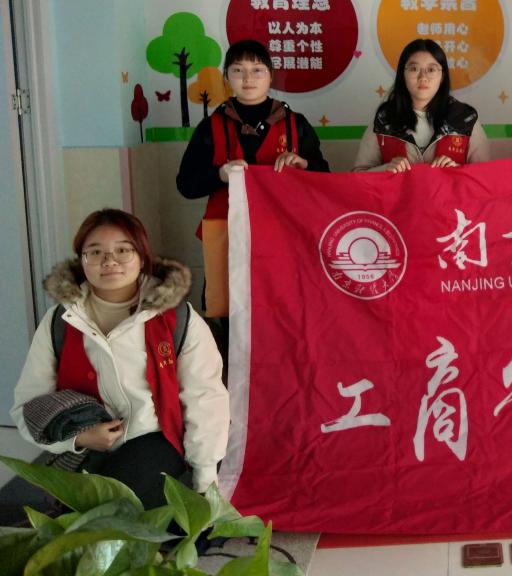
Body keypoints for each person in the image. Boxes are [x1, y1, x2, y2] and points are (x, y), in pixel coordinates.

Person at [10, 209, 229, 508]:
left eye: (123, 250)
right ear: (81, 261)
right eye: (95, 252)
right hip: (87, 451)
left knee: (111, 512)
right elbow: (27, 408)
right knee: (83, 521)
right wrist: (79, 438)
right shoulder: (60, 322)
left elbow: (206, 399)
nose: (109, 261)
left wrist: (204, 483)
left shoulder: (177, 319)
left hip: (158, 445)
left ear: (142, 257)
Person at [176, 39, 329, 314]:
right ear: (226, 78)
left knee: (284, 312)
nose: (248, 79)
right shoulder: (210, 126)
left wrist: (303, 164)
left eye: (257, 70)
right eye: (238, 70)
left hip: (285, 234)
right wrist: (220, 174)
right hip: (227, 233)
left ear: (270, 76)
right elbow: (186, 185)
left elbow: (325, 178)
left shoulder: (296, 124)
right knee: (230, 312)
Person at [353, 38, 489, 172]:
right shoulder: (384, 119)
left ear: (442, 76)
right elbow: (358, 175)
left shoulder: (465, 119)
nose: (423, 77)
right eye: (414, 69)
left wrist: (457, 170)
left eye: (431, 70)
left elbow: (486, 177)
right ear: (403, 74)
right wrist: (384, 169)